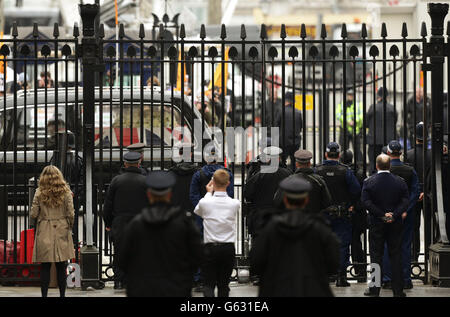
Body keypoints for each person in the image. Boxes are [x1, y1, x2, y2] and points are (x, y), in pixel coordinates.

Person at [250, 176, 340, 297]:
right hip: (313, 289)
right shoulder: (320, 228)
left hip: (276, 289)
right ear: (306, 199)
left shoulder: (269, 228)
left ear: (285, 199)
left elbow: (256, 261)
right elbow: (333, 263)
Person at [118, 170, 203, 297]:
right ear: (169, 195)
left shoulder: (136, 224)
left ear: (148, 195)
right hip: (177, 288)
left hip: (142, 289)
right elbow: (198, 256)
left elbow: (122, 259)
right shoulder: (184, 223)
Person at [362, 154, 409, 297]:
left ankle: (375, 289)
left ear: (376, 166)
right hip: (395, 223)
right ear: (390, 166)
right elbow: (405, 200)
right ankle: (398, 290)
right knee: (396, 255)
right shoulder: (399, 182)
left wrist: (381, 214)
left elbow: (366, 202)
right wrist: (394, 214)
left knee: (376, 256)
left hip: (377, 223)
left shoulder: (369, 181)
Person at [315, 142, 361, 287]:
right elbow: (356, 190)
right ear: (339, 155)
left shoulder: (317, 171)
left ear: (325, 154)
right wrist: (350, 203)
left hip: (323, 214)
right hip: (342, 214)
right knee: (342, 245)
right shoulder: (345, 171)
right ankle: (341, 276)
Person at [189, 145, 234, 289]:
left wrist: (203, 209)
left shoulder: (198, 174)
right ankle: (221, 278)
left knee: (202, 245)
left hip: (203, 214)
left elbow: (193, 195)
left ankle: (200, 277)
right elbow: (231, 194)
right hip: (223, 214)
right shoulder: (227, 173)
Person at [103, 151, 149, 290]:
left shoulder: (117, 180)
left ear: (125, 163)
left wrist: (108, 223)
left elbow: (108, 204)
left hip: (120, 221)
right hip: (140, 221)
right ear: (139, 162)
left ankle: (118, 281)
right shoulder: (145, 181)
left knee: (119, 252)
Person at [194, 169, 240, 297]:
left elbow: (198, 211)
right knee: (224, 285)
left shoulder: (205, 202)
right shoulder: (234, 204)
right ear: (228, 183)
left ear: (212, 182)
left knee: (208, 284)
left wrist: (208, 193)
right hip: (228, 248)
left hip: (210, 248)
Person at [30, 165, 75, 297]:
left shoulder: (39, 192)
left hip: (45, 227)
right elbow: (71, 213)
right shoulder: (66, 192)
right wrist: (69, 226)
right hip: (62, 227)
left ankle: (44, 294)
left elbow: (33, 213)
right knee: (62, 265)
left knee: (45, 266)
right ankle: (62, 294)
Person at [382, 140, 419, 290]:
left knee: (386, 246)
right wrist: (405, 210)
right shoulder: (410, 170)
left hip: (387, 214)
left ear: (388, 153)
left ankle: (387, 278)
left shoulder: (384, 170)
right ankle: (405, 279)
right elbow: (414, 193)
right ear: (401, 152)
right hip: (405, 215)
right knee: (404, 246)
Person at [244, 146, 292, 241]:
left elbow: (247, 194)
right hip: (282, 217)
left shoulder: (259, 175)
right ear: (279, 158)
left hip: (261, 218)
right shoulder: (288, 174)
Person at [274, 149, 332, 215]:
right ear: (309, 163)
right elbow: (328, 202)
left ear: (296, 164)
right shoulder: (319, 181)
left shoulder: (289, 180)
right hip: (313, 219)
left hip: (293, 219)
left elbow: (277, 201)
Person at [340, 149, 368, 282]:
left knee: (341, 241)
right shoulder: (360, 173)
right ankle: (360, 271)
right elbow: (363, 194)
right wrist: (356, 206)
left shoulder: (341, 172)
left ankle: (339, 273)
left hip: (343, 211)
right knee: (357, 242)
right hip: (358, 212)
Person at [405, 122, 431, 262]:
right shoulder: (432, 154)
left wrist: (416, 191)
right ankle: (428, 254)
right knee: (429, 226)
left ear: (415, 136)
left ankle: (414, 256)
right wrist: (424, 191)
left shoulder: (409, 155)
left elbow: (408, 177)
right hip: (428, 194)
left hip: (413, 194)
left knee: (414, 226)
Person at [367, 87, 398, 172]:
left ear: (378, 96)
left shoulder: (373, 107)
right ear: (387, 96)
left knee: (373, 163)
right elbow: (395, 121)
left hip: (374, 140)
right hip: (388, 140)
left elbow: (366, 122)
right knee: (388, 163)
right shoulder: (392, 108)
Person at [275, 91, 303, 171]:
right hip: (295, 142)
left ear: (286, 101)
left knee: (282, 163)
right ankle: (294, 178)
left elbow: (276, 126)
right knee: (294, 163)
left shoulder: (281, 111)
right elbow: (301, 127)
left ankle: (283, 178)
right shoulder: (298, 112)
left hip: (284, 142)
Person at [169, 147, 200, 213]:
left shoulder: (171, 173)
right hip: (194, 208)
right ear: (191, 154)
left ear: (180, 155)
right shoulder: (198, 173)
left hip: (177, 209)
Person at [337, 90, 363, 162]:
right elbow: (338, 115)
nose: (350, 96)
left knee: (357, 150)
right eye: (349, 94)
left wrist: (355, 120)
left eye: (352, 94)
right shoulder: (341, 104)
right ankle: (344, 165)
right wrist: (348, 121)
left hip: (356, 130)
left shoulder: (358, 104)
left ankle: (359, 166)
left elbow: (361, 115)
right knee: (344, 150)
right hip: (345, 130)